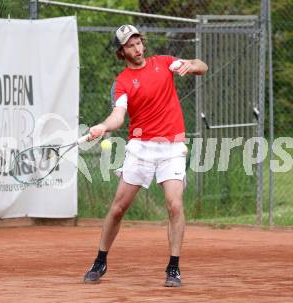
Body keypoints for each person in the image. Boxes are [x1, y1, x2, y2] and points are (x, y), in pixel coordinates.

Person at [83, 24, 208, 287]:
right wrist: (103, 126)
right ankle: (100, 260)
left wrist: (192, 66)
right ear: (122, 52)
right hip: (140, 148)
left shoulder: (164, 63)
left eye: (139, 43)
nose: (137, 49)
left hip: (172, 146)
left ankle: (173, 267)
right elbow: (119, 116)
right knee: (118, 209)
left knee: (174, 204)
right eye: (130, 45)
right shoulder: (122, 83)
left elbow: (201, 65)